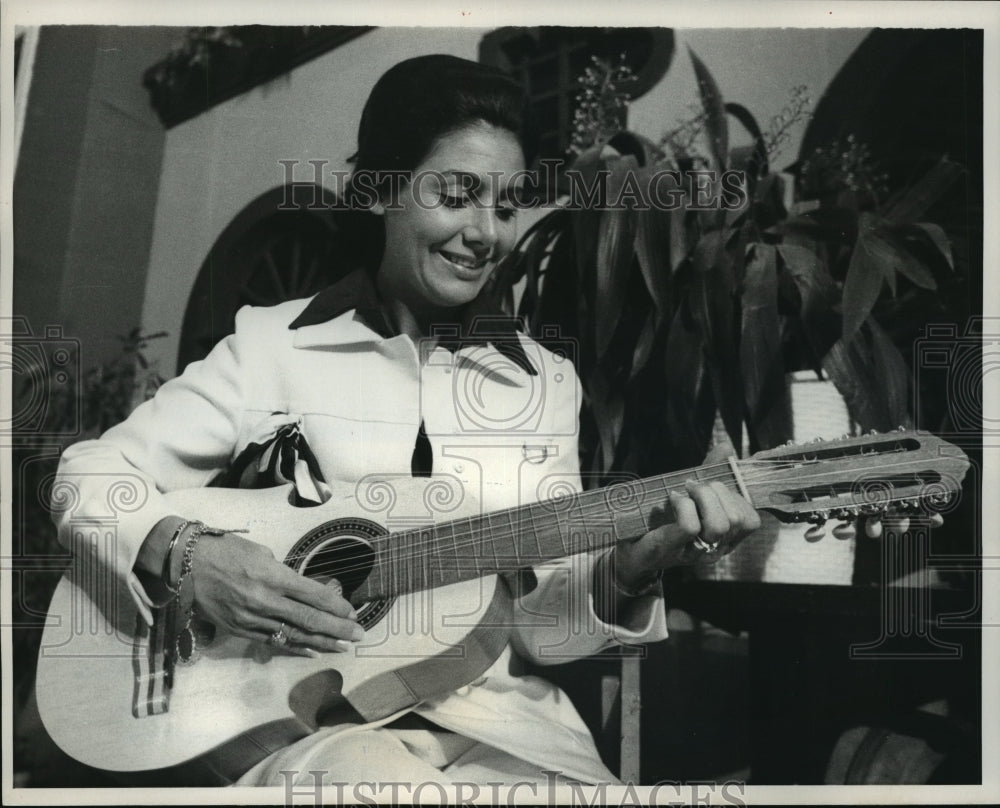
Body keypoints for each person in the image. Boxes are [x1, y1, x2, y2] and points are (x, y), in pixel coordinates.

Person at [52, 54, 761, 787]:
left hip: (509, 735)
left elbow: (543, 632)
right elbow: (86, 478)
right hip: (317, 733)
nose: (487, 232)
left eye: (509, 204)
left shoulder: (546, 382)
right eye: (457, 195)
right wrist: (191, 553)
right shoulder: (271, 344)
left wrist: (628, 572)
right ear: (379, 192)